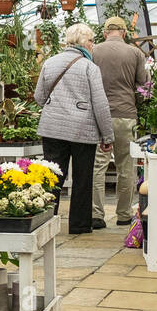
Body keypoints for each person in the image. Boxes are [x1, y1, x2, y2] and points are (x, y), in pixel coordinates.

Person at [34, 23, 114, 235]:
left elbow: (39, 97)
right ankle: (79, 225)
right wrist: (107, 136)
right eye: (90, 40)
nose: (92, 44)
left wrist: (56, 109)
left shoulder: (49, 63)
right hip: (83, 131)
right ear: (81, 42)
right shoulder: (89, 67)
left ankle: (46, 222)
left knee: (52, 176)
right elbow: (100, 104)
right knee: (82, 178)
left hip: (52, 129)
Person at [89, 16, 148, 229]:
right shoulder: (135, 53)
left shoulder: (94, 51)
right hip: (126, 114)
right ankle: (124, 214)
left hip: (98, 116)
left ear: (105, 33)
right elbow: (144, 83)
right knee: (126, 166)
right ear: (124, 33)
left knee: (98, 166)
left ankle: (97, 215)